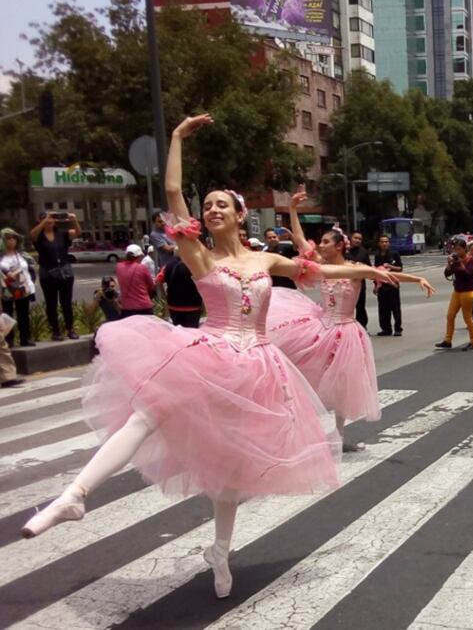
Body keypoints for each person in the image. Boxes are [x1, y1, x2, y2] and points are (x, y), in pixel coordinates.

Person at [20, 114, 399, 603]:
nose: (212, 209)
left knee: (232, 472)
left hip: (259, 367)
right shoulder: (200, 256)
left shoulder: (266, 261)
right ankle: (75, 496)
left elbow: (322, 268)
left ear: (241, 215)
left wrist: (374, 269)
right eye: (208, 205)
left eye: (222, 204)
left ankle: (220, 551)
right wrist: (176, 138)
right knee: (146, 413)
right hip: (211, 353)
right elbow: (174, 194)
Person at [270, 188, 434, 450]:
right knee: (303, 376)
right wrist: (291, 209)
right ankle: (299, 428)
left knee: (341, 386)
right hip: (319, 325)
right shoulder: (319, 265)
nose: (319, 246)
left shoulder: (356, 269)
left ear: (339, 246)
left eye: (325, 242)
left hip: (345, 331)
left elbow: (382, 274)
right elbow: (300, 239)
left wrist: (417, 279)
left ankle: (339, 435)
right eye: (320, 242)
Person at [30, 211, 80, 341]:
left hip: (65, 271)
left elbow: (77, 232)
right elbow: (32, 235)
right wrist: (43, 221)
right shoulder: (39, 236)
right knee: (51, 303)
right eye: (46, 218)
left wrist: (74, 220)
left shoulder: (62, 234)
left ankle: (70, 329)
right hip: (48, 273)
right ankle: (56, 331)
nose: (49, 220)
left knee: (66, 303)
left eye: (51, 218)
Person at [436, 238, 473, 351]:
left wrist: (461, 264)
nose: (456, 252)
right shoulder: (456, 260)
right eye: (454, 249)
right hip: (457, 291)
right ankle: (448, 340)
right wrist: (449, 264)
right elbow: (447, 273)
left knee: (468, 318)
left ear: (465, 249)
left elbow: (468, 276)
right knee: (450, 315)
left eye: (459, 249)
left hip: (468, 292)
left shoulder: (472, 261)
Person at [1, 228, 35, 348]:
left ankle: (25, 338)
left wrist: (31, 288)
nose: (11, 241)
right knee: (7, 314)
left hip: (21, 289)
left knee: (23, 314)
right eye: (8, 238)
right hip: (5, 290)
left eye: (13, 238)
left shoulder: (22, 255)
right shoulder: (1, 256)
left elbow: (29, 271)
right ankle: (9, 339)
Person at [372, 234, 404, 336]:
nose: (384, 244)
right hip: (381, 286)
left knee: (395, 308)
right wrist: (375, 285)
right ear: (379, 244)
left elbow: (400, 268)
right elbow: (376, 272)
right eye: (382, 242)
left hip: (392, 285)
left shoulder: (394, 254)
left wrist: (390, 266)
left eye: (386, 242)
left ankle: (398, 329)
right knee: (383, 309)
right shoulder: (377, 255)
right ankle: (386, 329)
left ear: (389, 243)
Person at [116, 245, 157, 319]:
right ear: (139, 256)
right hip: (143, 306)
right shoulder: (141, 268)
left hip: (126, 307)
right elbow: (152, 285)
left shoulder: (118, 267)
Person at [160, 258, 203, 328]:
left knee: (178, 335)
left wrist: (164, 297)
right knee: (191, 335)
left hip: (173, 306)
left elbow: (159, 280)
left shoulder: (168, 265)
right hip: (192, 307)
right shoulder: (194, 265)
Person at [346, 231, 370, 330]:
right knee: (347, 307)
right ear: (350, 238)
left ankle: (362, 327)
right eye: (355, 238)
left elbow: (369, 267)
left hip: (360, 284)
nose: (357, 240)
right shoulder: (344, 251)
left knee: (360, 307)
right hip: (345, 283)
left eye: (360, 239)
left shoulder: (363, 252)